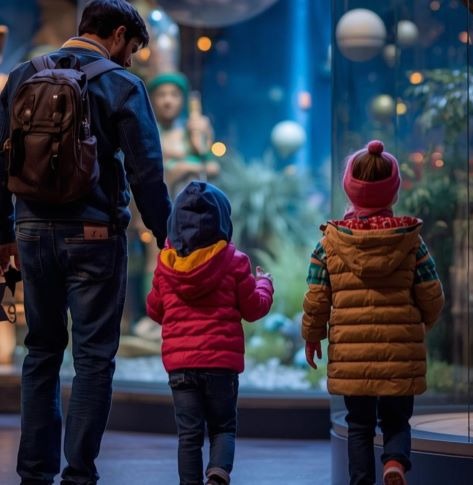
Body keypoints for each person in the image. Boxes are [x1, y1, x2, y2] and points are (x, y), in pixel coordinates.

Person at [0, 1, 172, 483]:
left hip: (31, 234)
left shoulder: (19, 77)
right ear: (116, 34)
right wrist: (166, 236)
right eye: (132, 49)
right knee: (94, 359)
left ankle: (34, 473)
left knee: (41, 352)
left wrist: (3, 235)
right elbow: (147, 173)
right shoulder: (122, 85)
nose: (131, 61)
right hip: (95, 236)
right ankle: (79, 475)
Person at [301, 140, 444, 485]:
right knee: (396, 420)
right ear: (394, 192)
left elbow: (316, 297)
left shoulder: (329, 242)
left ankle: (361, 480)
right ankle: (394, 462)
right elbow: (431, 292)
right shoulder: (411, 240)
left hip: (353, 354)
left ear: (349, 189)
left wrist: (312, 335)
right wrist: (425, 320)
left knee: (359, 425)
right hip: (399, 349)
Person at [146, 181, 274, 485]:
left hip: (180, 367)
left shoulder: (166, 263)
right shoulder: (235, 261)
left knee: (188, 435)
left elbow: (154, 310)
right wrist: (265, 284)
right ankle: (217, 473)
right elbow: (253, 308)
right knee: (223, 428)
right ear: (222, 220)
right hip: (221, 367)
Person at [147, 72, 220, 197]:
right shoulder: (147, 133)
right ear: (152, 99)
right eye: (161, 95)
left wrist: (185, 167)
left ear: (182, 99)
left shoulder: (189, 132)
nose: (167, 101)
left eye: (174, 95)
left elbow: (213, 167)